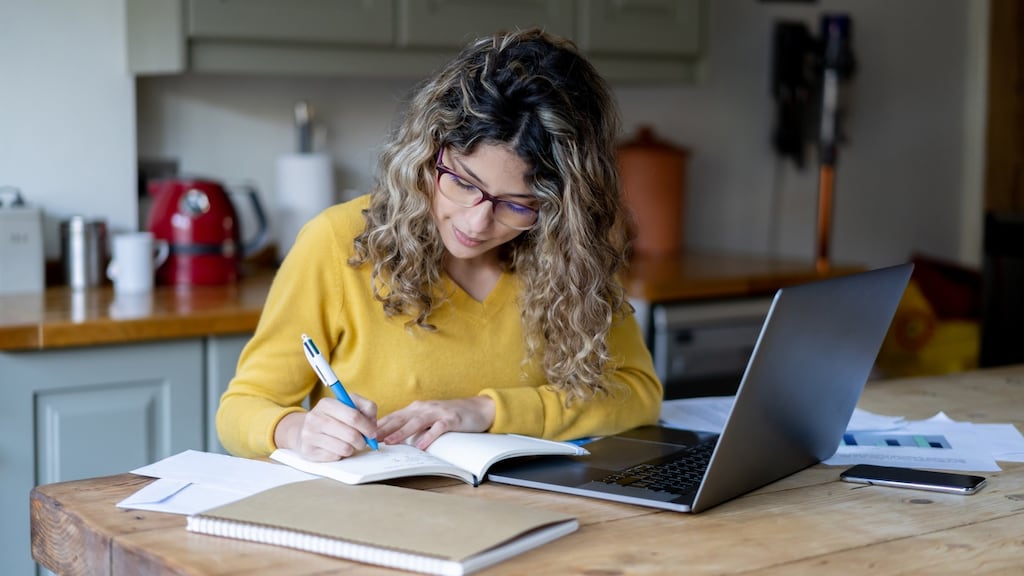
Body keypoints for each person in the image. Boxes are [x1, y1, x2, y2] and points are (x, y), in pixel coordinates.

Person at [217, 28, 663, 461]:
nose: (477, 222)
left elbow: (638, 394)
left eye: (517, 204)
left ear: (562, 207)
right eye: (464, 184)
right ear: (429, 152)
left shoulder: (570, 255)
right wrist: (296, 430)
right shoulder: (338, 241)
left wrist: (487, 411)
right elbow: (241, 409)